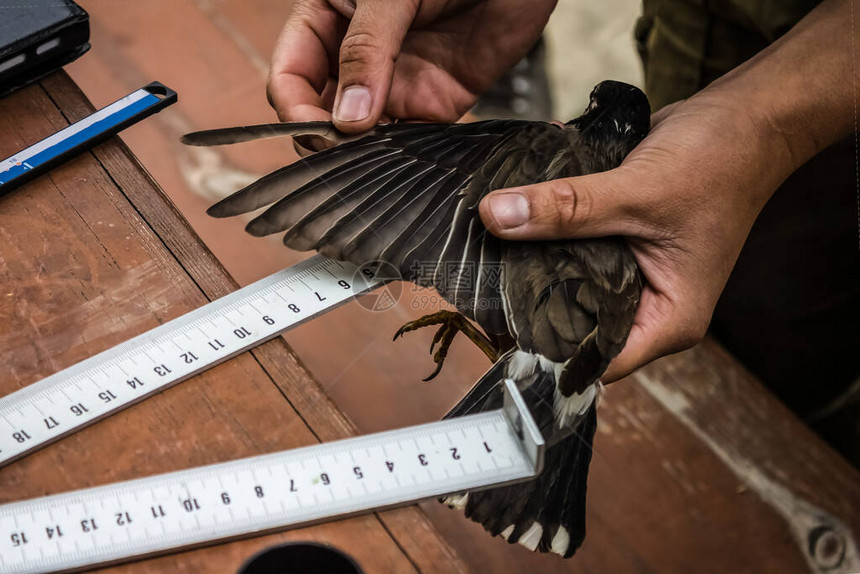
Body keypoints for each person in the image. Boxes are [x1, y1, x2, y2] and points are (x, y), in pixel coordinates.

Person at [266, 0, 858, 464]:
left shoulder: (548, 150)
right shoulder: (631, 174)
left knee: (784, 304)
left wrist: (766, 133)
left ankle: (814, 438)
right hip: (716, 25)